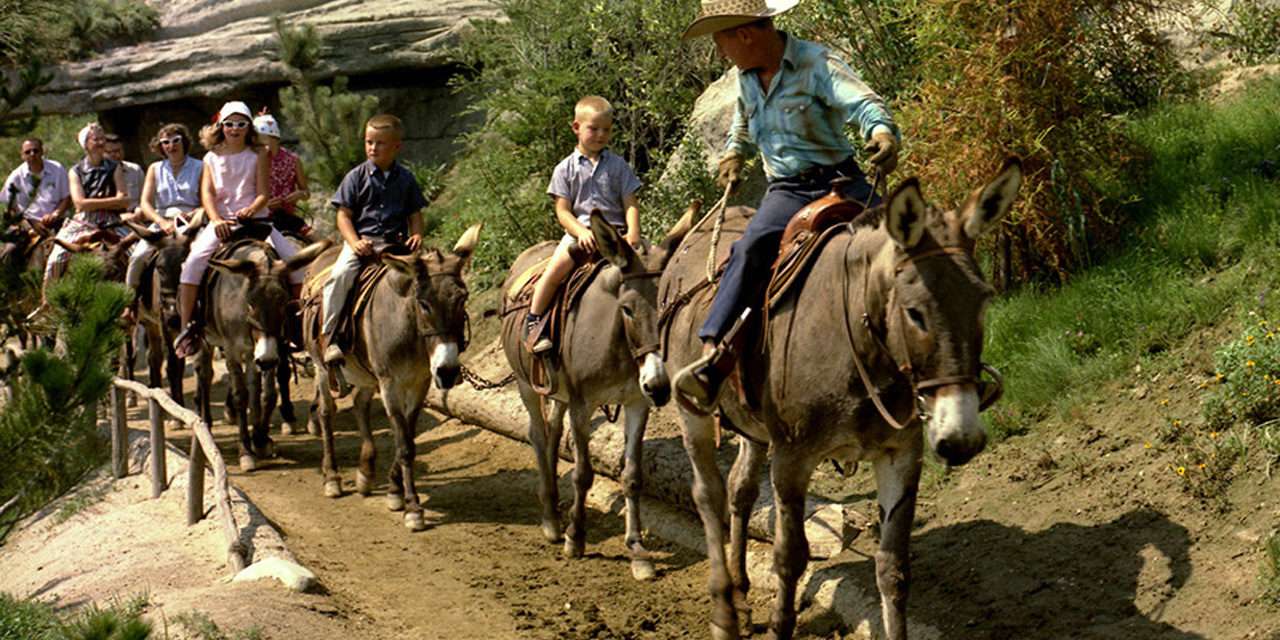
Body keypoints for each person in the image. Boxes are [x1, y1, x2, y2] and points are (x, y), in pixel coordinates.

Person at [672, 0, 901, 411]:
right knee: (749, 249)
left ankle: (946, 357)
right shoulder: (743, 77)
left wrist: (883, 135)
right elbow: (742, 122)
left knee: (905, 246)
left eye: (722, 39)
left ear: (744, 34)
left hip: (841, 181)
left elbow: (864, 104)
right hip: (787, 191)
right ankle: (713, 356)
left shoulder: (816, 63)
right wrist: (733, 154)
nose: (721, 50)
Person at [172, 101, 309, 357]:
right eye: (229, 124)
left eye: (241, 124)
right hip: (223, 223)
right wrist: (216, 220)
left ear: (249, 127)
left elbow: (263, 193)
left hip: (257, 221)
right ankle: (187, 327)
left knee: (297, 266)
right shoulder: (211, 157)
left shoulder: (258, 154)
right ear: (220, 126)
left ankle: (296, 325)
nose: (235, 129)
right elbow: (208, 194)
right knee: (192, 264)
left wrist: (251, 209)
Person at [522, 95, 642, 354]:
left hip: (617, 235)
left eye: (606, 130)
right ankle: (533, 321)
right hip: (581, 234)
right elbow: (563, 212)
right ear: (576, 127)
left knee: (650, 269)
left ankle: (659, 321)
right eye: (594, 128)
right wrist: (581, 231)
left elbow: (630, 203)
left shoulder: (619, 166)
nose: (600, 135)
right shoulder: (564, 169)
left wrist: (633, 232)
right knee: (555, 270)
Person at [320, 113, 427, 365]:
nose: (372, 147)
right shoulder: (355, 177)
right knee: (339, 277)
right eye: (369, 142)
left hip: (396, 245)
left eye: (379, 143)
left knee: (431, 279)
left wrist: (418, 234)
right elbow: (343, 216)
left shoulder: (406, 179)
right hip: (363, 244)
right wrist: (355, 241)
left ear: (396, 147)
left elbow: (415, 214)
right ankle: (331, 336)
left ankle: (435, 340)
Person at [40, 122, 130, 305]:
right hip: (84, 223)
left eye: (102, 138)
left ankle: (136, 304)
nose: (100, 142)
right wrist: (110, 202)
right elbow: (79, 204)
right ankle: (46, 305)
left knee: (137, 253)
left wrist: (93, 203)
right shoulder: (75, 171)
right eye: (95, 138)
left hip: (112, 221)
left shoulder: (115, 167)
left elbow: (124, 200)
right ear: (85, 143)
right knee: (56, 259)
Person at [123, 123, 204, 293]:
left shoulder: (200, 166)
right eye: (165, 142)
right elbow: (145, 203)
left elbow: (207, 200)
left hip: (192, 221)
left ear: (184, 142)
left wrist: (193, 215)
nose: (171, 146)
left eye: (176, 140)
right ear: (160, 146)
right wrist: (160, 222)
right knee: (138, 256)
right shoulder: (155, 168)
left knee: (203, 254)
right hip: (162, 221)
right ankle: (129, 302)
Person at [253, 112, 312, 239]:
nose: (262, 147)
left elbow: (306, 192)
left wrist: (300, 194)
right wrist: (265, 204)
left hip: (287, 217)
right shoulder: (253, 160)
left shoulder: (293, 160)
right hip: (260, 218)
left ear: (275, 138)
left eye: (263, 140)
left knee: (318, 240)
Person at [2, 137, 70, 232]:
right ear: (22, 155)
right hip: (28, 224)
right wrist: (30, 223)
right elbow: (11, 206)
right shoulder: (15, 177)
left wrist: (55, 214)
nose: (32, 154)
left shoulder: (57, 169)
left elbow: (67, 198)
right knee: (11, 247)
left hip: (58, 221)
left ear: (42, 152)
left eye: (35, 151)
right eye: (27, 152)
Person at [104, 133, 145, 216]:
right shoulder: (98, 175)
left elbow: (145, 199)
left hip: (136, 215)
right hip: (110, 218)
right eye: (110, 152)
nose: (116, 155)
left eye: (119, 150)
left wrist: (140, 209)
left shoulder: (135, 169)